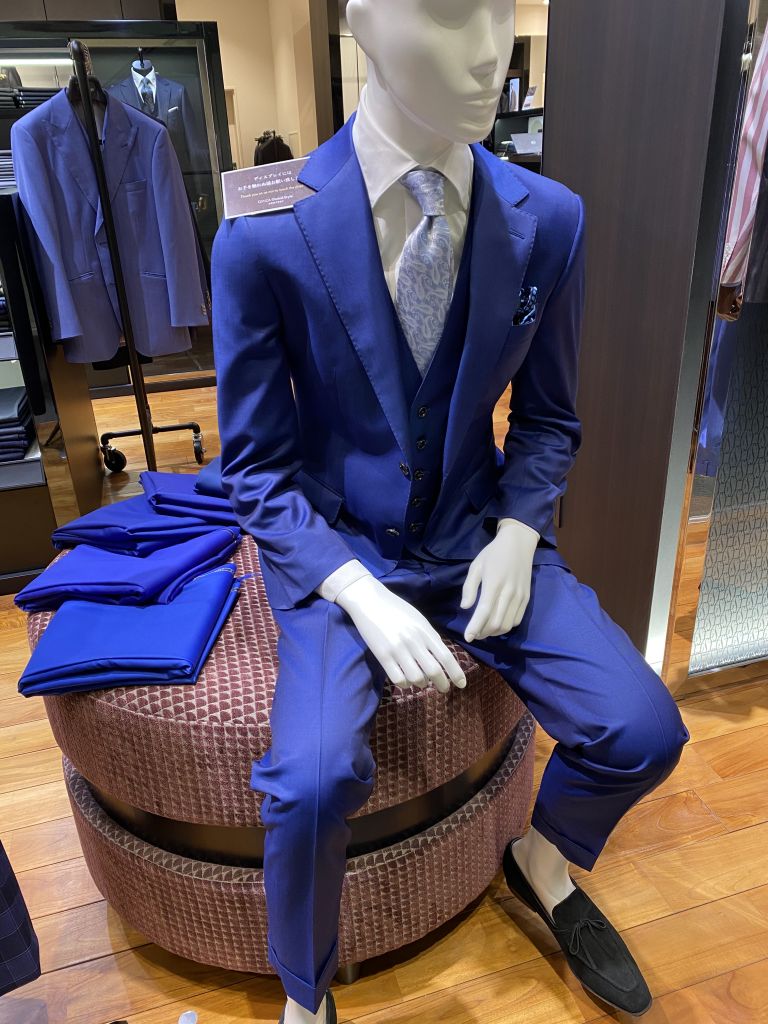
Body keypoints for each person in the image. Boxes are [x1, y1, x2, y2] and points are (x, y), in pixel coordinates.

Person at [212, 2, 691, 1020]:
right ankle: (305, 994)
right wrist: (351, 588)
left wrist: (520, 530)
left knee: (645, 729)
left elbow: (549, 417)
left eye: (498, 11)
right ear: (362, 22)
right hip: (341, 546)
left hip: (480, 533)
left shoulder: (549, 218)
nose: (488, 53)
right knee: (309, 783)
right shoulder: (264, 228)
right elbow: (254, 466)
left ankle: (541, 861)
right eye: (444, 11)